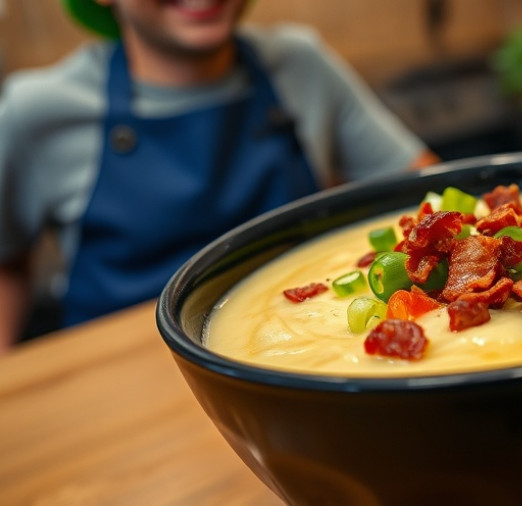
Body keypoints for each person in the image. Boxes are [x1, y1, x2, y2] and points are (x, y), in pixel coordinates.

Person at [0, 0, 439, 353]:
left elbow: (425, 188)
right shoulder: (37, 111)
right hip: (108, 378)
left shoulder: (300, 65)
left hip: (289, 354)